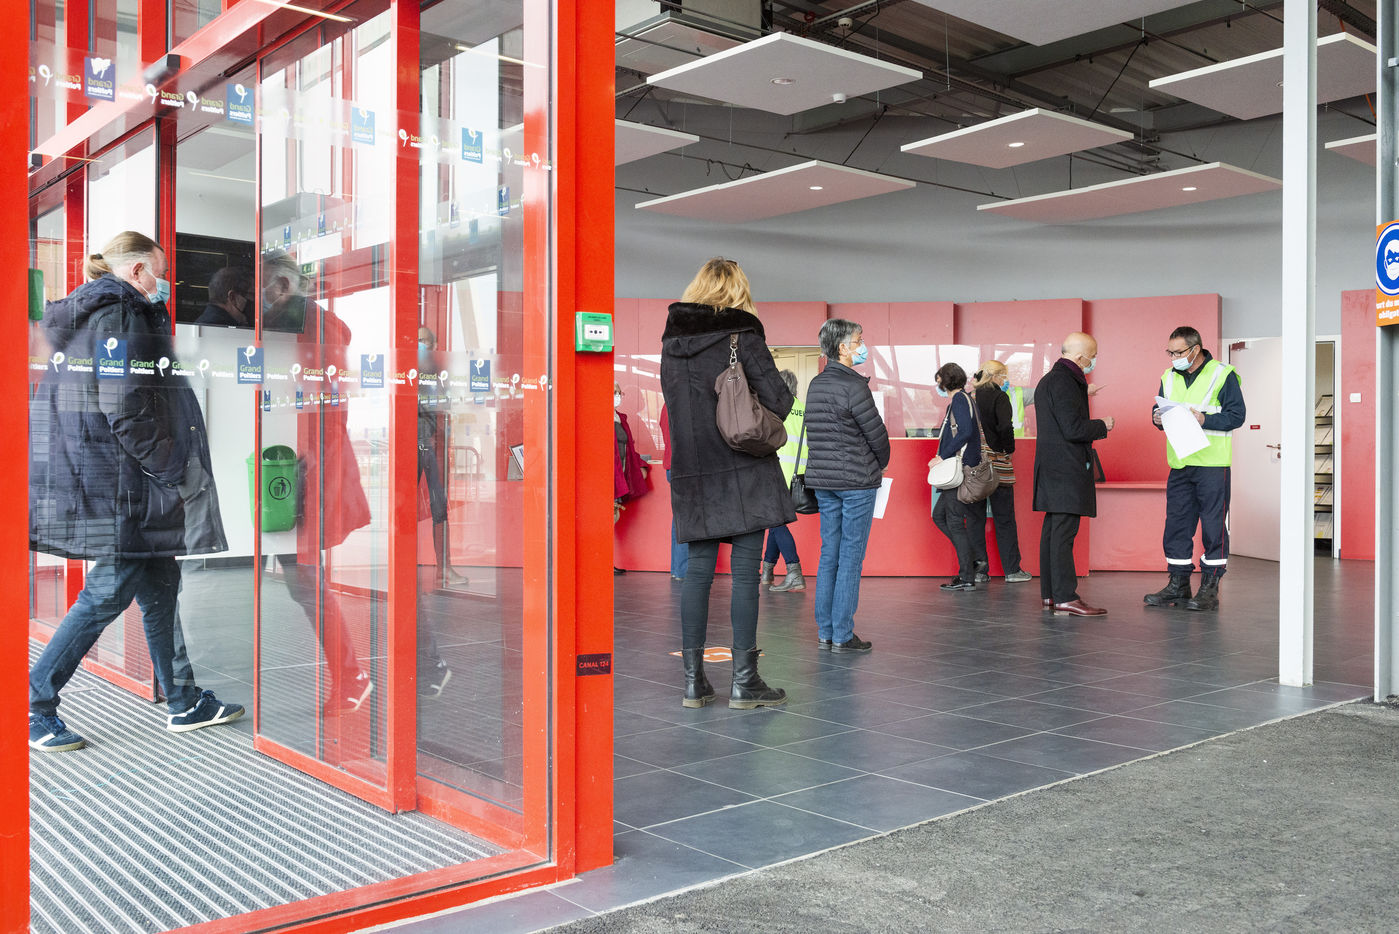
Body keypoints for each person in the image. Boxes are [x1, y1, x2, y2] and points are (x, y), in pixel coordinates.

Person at [28, 231, 243, 751]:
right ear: (138, 270)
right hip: (127, 484)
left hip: (122, 479)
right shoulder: (120, 313)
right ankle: (33, 702)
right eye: (160, 272)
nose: (164, 283)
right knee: (108, 591)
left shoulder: (98, 312)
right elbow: (123, 404)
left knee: (161, 586)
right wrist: (170, 466)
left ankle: (184, 700)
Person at [661, 258, 792, 708]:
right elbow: (779, 399)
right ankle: (744, 681)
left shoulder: (672, 344)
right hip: (743, 469)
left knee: (697, 572)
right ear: (737, 292)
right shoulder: (742, 335)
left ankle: (693, 682)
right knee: (744, 574)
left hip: (693, 473)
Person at [1144, 326, 1246, 612]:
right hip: (1180, 463)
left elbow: (1237, 416)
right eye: (1170, 352)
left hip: (1212, 464)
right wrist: (1156, 418)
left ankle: (1210, 587)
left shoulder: (1222, 374)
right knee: (1176, 525)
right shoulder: (1168, 376)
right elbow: (1162, 409)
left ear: (1195, 349)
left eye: (1178, 352)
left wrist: (1204, 419)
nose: (1173, 358)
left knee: (1213, 527)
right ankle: (1178, 584)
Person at [804, 318, 890, 653]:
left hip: (824, 482)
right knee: (850, 557)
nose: (862, 346)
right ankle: (842, 634)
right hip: (856, 482)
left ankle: (825, 632)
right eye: (859, 340)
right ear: (842, 347)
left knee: (830, 554)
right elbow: (877, 436)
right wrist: (880, 463)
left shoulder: (816, 384)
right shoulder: (854, 386)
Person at [1033, 332, 1115, 617]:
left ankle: (1051, 595)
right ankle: (1066, 597)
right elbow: (1073, 429)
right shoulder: (1066, 382)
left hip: (1052, 467)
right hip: (1067, 468)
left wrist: (1084, 392)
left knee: (1053, 531)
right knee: (1063, 533)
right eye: (1092, 357)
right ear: (1080, 357)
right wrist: (1103, 425)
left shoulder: (1050, 380)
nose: (1093, 362)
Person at [968, 361, 1032, 584]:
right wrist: (1008, 449)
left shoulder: (970, 398)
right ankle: (1012, 570)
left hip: (973, 465)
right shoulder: (999, 397)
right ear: (996, 376)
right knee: (1004, 518)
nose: (1005, 380)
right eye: (1004, 376)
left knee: (975, 519)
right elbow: (1006, 427)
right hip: (998, 464)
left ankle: (979, 571)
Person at [928, 362, 984, 593]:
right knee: (940, 515)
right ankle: (972, 560)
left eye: (939, 380)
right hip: (962, 467)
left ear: (946, 380)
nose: (938, 385)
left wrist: (942, 455)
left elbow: (965, 432)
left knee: (953, 521)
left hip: (958, 470)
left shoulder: (960, 400)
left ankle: (967, 575)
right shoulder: (966, 399)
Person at [417, 325, 466, 587]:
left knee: (439, 506)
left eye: (423, 341)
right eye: (416, 341)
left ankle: (444, 569)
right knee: (405, 506)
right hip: (413, 444)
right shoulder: (408, 373)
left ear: (434, 346)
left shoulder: (440, 375)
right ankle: (401, 568)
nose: (419, 346)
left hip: (433, 444)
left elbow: (447, 408)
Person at [762, 369, 807, 593]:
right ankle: (767, 571)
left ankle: (794, 571)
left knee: (776, 523)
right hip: (799, 477)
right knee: (776, 522)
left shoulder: (776, 409)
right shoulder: (803, 408)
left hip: (777, 473)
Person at [612, 382, 649, 575]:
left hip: (619, 476)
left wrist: (640, 464)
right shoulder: (599, 417)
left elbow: (629, 448)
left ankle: (604, 561)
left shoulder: (620, 418)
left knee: (612, 517)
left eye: (619, 393)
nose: (617, 396)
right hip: (607, 478)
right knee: (607, 519)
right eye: (614, 393)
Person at [660, 403, 688, 581]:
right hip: (685, 467)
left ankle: (677, 568)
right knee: (687, 518)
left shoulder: (667, 405)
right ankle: (683, 570)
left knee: (679, 518)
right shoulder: (683, 403)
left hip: (673, 466)